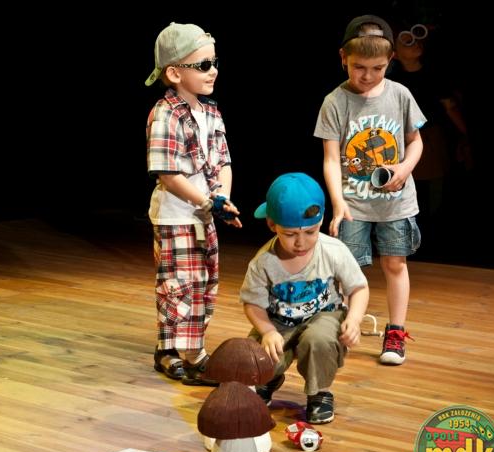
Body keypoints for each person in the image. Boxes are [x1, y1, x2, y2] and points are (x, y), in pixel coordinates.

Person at [314, 15, 425, 366]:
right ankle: (346, 327)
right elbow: (331, 159)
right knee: (348, 268)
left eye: (377, 68)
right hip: (353, 203)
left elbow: (416, 141)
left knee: (395, 263)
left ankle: (396, 331)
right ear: (343, 58)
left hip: (395, 202)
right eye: (359, 67)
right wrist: (338, 203)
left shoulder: (400, 94)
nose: (367, 75)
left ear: (390, 60)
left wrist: (404, 168)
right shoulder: (335, 101)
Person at [145, 22, 241, 385]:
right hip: (176, 217)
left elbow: (223, 161)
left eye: (214, 62)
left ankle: (189, 348)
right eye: (203, 65)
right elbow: (168, 173)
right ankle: (174, 351)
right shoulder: (165, 114)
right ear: (174, 73)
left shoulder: (211, 112)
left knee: (204, 281)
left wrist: (222, 199)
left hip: (204, 214)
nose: (212, 70)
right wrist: (207, 201)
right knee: (178, 284)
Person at [240, 173, 369, 424]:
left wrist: (354, 319)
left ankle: (319, 392)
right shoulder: (263, 262)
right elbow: (252, 303)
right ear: (272, 224)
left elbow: (358, 288)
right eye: (290, 234)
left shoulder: (333, 251)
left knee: (318, 340)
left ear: (321, 221)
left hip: (324, 315)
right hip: (279, 320)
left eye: (310, 232)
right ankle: (268, 380)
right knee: (254, 356)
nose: (301, 242)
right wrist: (267, 331)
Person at [389, 23, 470, 252]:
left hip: (431, 138)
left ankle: (432, 240)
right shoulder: (392, 80)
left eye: (416, 39)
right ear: (395, 52)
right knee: (409, 190)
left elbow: (450, 106)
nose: (415, 43)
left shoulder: (434, 74)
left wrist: (466, 135)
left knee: (434, 189)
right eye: (407, 41)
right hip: (401, 140)